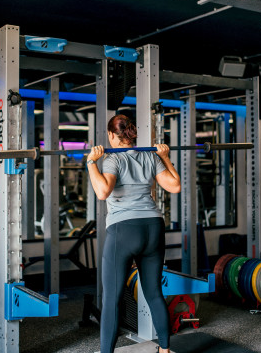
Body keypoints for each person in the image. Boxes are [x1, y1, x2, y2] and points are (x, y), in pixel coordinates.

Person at [87, 114, 181, 353]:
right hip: (153, 227)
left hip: (124, 230)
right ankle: (165, 349)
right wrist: (165, 158)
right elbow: (175, 185)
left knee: (112, 298)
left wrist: (90, 162)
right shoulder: (151, 156)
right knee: (153, 292)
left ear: (111, 135)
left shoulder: (112, 159)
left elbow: (102, 192)